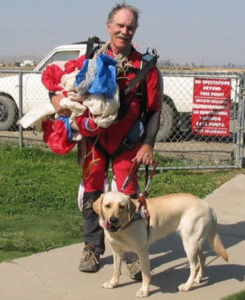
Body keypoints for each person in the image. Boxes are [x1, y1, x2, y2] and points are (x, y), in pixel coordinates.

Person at [50, 3, 162, 277]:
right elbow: (58, 84)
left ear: (134, 30)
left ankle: (133, 252)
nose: (124, 31)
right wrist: (54, 99)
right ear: (109, 26)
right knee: (93, 194)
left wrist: (147, 144)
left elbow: (154, 110)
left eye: (130, 27)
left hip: (128, 145)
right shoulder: (90, 59)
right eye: (120, 26)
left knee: (130, 199)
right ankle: (92, 248)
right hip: (94, 142)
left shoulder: (145, 67)